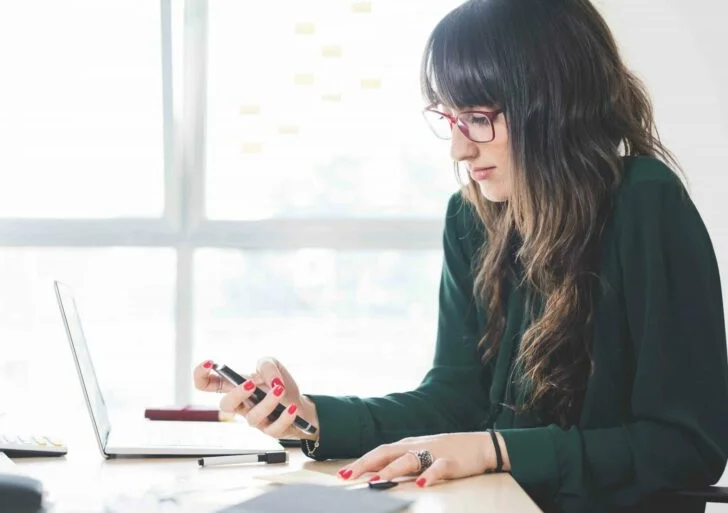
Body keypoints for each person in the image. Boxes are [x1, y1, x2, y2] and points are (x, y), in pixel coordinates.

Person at [193, 0, 728, 511]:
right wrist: (311, 417)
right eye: (449, 119)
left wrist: (496, 450)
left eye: (477, 117)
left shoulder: (646, 201)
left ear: (551, 106)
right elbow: (454, 399)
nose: (459, 149)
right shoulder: (471, 217)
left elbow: (686, 447)